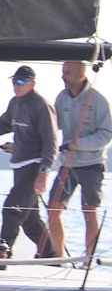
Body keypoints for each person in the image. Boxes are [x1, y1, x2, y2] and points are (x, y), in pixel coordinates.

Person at [0, 65, 57, 260]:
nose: (16, 85)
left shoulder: (42, 106)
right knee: (30, 219)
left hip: (34, 166)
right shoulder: (15, 102)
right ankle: (50, 256)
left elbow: (51, 142)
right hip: (19, 166)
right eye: (14, 81)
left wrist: (44, 172)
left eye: (21, 82)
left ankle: (3, 251)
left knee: (12, 208)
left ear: (32, 84)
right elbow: (3, 124)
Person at [47, 58, 110, 260]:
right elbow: (52, 127)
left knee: (89, 212)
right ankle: (58, 259)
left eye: (67, 73)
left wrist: (78, 143)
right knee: (53, 209)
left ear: (81, 75)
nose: (63, 76)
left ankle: (87, 261)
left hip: (92, 165)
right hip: (67, 164)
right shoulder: (61, 98)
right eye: (63, 71)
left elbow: (106, 134)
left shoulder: (98, 101)